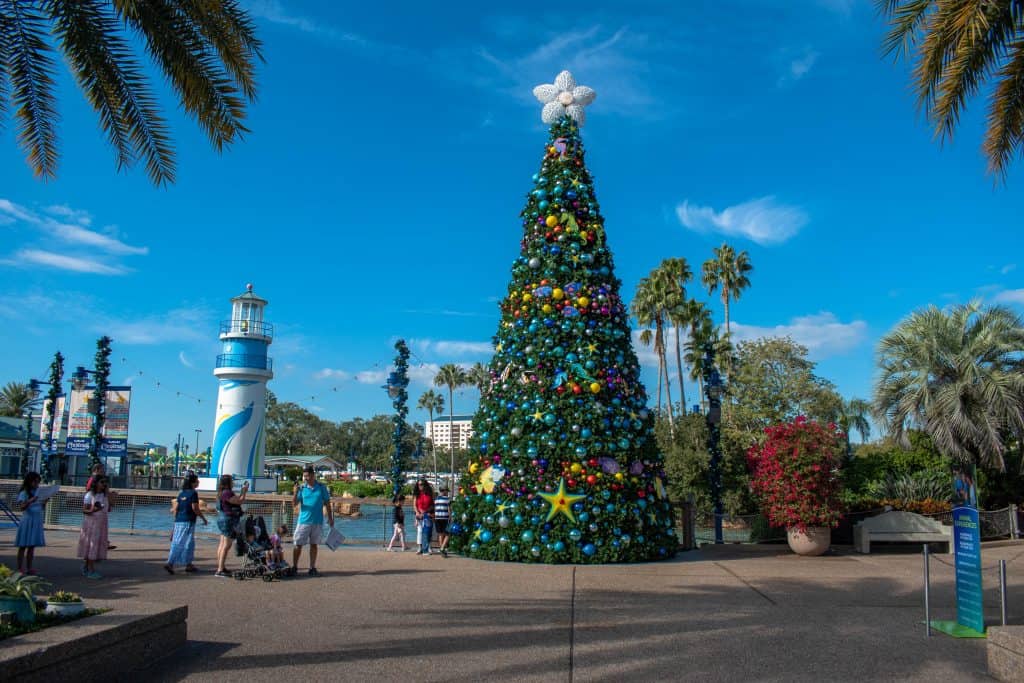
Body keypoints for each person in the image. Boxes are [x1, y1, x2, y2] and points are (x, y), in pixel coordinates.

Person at [292, 466, 333, 576]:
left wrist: (330, 518)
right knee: (298, 544)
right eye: (304, 476)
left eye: (308, 476)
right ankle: (295, 567)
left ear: (313, 475)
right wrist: (295, 493)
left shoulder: (321, 487)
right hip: (303, 521)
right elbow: (294, 504)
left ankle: (312, 567)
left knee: (314, 545)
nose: (306, 478)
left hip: (317, 521)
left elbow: (328, 503)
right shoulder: (302, 488)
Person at [164, 472, 207, 575]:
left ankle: (189, 564)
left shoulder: (182, 493)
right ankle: (170, 563)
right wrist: (203, 518)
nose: (198, 482)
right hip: (188, 521)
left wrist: (174, 524)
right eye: (197, 481)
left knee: (187, 542)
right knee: (182, 543)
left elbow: (176, 509)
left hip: (179, 520)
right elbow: (195, 508)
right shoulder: (193, 493)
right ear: (193, 483)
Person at [215, 474, 248, 577]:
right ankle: (220, 569)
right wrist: (244, 492)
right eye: (231, 481)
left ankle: (221, 566)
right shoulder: (227, 493)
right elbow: (239, 501)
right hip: (228, 519)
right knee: (226, 545)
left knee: (222, 544)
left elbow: (234, 501)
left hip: (222, 518)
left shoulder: (221, 493)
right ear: (228, 482)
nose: (233, 482)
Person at [78, 475, 111, 579]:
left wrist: (112, 500)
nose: (104, 485)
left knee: (97, 545)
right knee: (92, 546)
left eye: (105, 483)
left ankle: (87, 567)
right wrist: (93, 510)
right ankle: (91, 570)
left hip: (101, 524)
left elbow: (108, 509)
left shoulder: (105, 496)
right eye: (102, 482)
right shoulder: (90, 495)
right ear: (96, 483)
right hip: (92, 524)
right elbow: (84, 510)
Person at [15, 471, 46, 574]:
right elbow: (22, 507)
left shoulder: (38, 492)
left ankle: (29, 567)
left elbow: (40, 507)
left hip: (36, 520)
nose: (37, 484)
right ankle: (19, 568)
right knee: (23, 545)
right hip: (27, 520)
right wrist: (30, 500)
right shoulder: (24, 493)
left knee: (32, 546)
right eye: (35, 482)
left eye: (38, 482)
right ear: (29, 481)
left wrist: (44, 503)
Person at [85, 462, 117, 550]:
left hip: (102, 503)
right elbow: (89, 490)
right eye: (102, 470)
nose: (103, 471)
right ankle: (99, 544)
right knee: (95, 525)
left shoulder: (100, 480)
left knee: (102, 525)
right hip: (96, 504)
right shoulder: (93, 480)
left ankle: (103, 542)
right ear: (96, 470)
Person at [415, 479, 434, 556]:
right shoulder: (417, 494)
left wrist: (427, 512)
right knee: (419, 531)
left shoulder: (430, 494)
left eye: (422, 484)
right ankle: (420, 547)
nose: (420, 486)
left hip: (428, 515)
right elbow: (414, 505)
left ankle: (429, 547)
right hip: (419, 516)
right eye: (419, 484)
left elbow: (432, 505)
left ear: (425, 485)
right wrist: (417, 512)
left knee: (428, 531)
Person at [434, 486, 451, 558]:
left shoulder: (436, 499)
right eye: (447, 491)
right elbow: (449, 509)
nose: (447, 493)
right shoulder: (447, 499)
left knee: (440, 534)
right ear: (444, 491)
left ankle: (442, 549)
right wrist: (450, 517)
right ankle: (442, 548)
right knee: (448, 534)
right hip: (444, 518)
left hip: (437, 518)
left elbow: (435, 508)